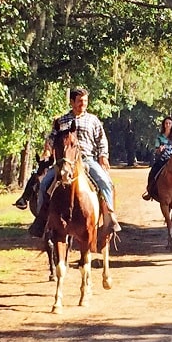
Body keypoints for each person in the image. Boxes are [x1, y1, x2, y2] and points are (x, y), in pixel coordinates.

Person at [28, 88, 121, 237]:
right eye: (79, 101)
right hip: (64, 162)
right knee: (44, 183)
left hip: (86, 159)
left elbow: (101, 139)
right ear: (72, 102)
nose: (82, 104)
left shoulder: (93, 120)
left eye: (85, 101)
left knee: (105, 182)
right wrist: (47, 150)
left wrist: (103, 155)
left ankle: (110, 217)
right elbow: (51, 138)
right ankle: (42, 221)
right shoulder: (61, 121)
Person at [142, 116, 172, 201]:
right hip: (163, 159)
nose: (168, 125)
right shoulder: (159, 137)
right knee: (153, 171)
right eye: (166, 123)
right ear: (164, 125)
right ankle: (149, 191)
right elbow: (156, 150)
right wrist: (160, 149)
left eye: (169, 123)